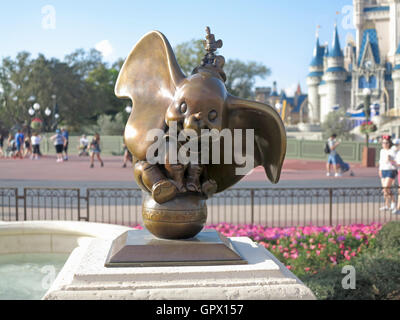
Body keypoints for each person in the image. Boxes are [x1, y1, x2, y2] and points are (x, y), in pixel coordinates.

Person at [378, 135, 397, 213]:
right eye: (383, 143)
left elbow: (395, 161)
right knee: (385, 189)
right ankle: (387, 205)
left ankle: (393, 202)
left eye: (386, 143)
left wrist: (390, 159)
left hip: (390, 170)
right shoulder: (382, 151)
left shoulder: (392, 151)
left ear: (389, 143)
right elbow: (380, 161)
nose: (384, 144)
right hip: (383, 170)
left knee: (386, 188)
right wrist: (379, 169)